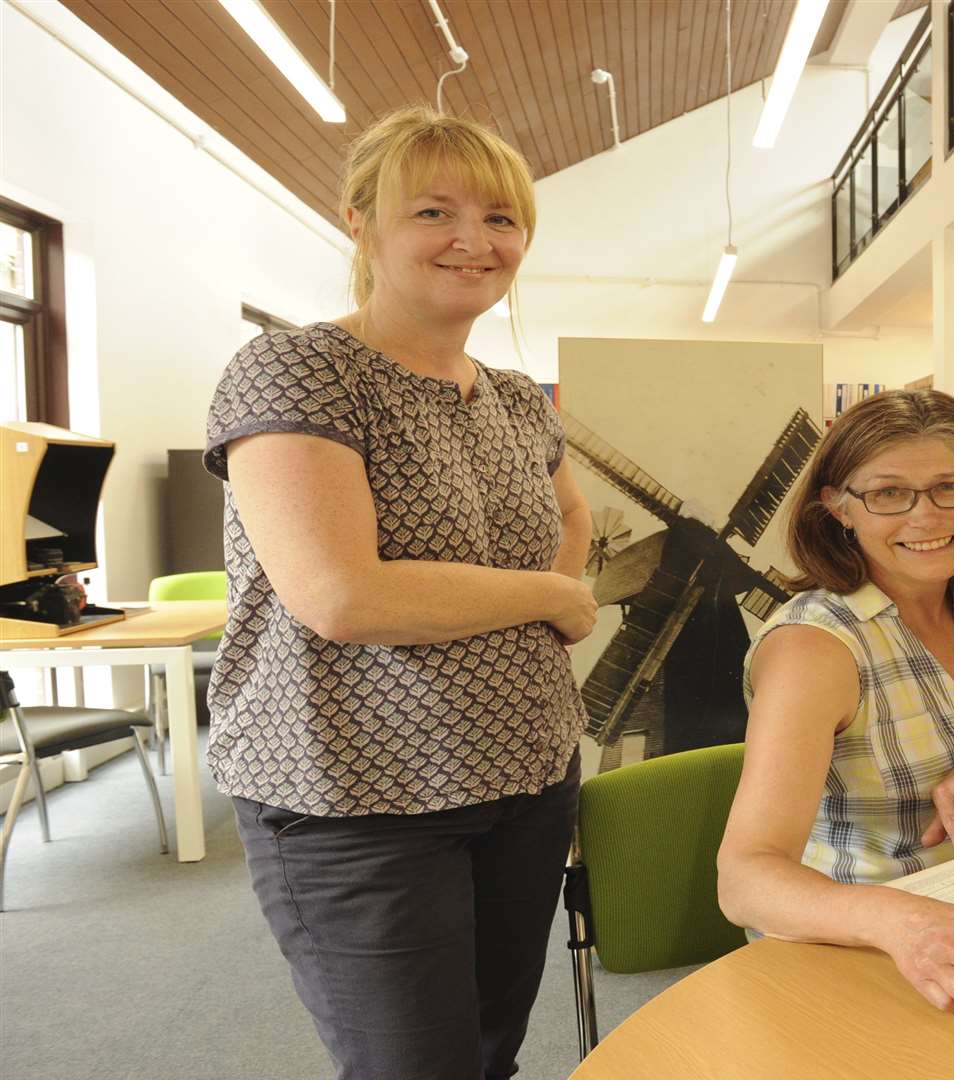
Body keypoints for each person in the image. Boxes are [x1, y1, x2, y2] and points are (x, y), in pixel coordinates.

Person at [203, 107, 597, 1079]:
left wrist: (556, 580)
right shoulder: (297, 370)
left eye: (502, 219)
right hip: (352, 797)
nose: (475, 239)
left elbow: (572, 525)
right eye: (434, 211)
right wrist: (546, 597)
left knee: (487, 1055)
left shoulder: (511, 397)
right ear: (362, 224)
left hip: (524, 779)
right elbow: (341, 596)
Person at [716, 389, 954, 1015]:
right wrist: (902, 924)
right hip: (858, 948)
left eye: (951, 487)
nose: (927, 517)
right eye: (888, 493)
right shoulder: (815, 648)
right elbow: (745, 879)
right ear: (837, 508)